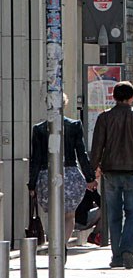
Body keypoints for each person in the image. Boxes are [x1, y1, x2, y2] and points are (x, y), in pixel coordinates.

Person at [90, 81, 133, 270]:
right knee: (132, 213)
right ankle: (128, 249)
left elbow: (97, 147)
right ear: (132, 97)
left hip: (111, 172)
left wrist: (91, 173)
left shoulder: (104, 118)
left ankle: (117, 255)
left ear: (114, 97)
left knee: (113, 214)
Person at [27, 94, 96, 253]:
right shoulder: (74, 125)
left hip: (46, 175)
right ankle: (62, 245)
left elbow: (35, 159)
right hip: (70, 174)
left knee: (53, 214)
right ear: (64, 104)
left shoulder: (39, 129)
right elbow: (81, 153)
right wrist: (90, 177)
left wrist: (32, 184)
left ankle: (55, 245)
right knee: (69, 215)